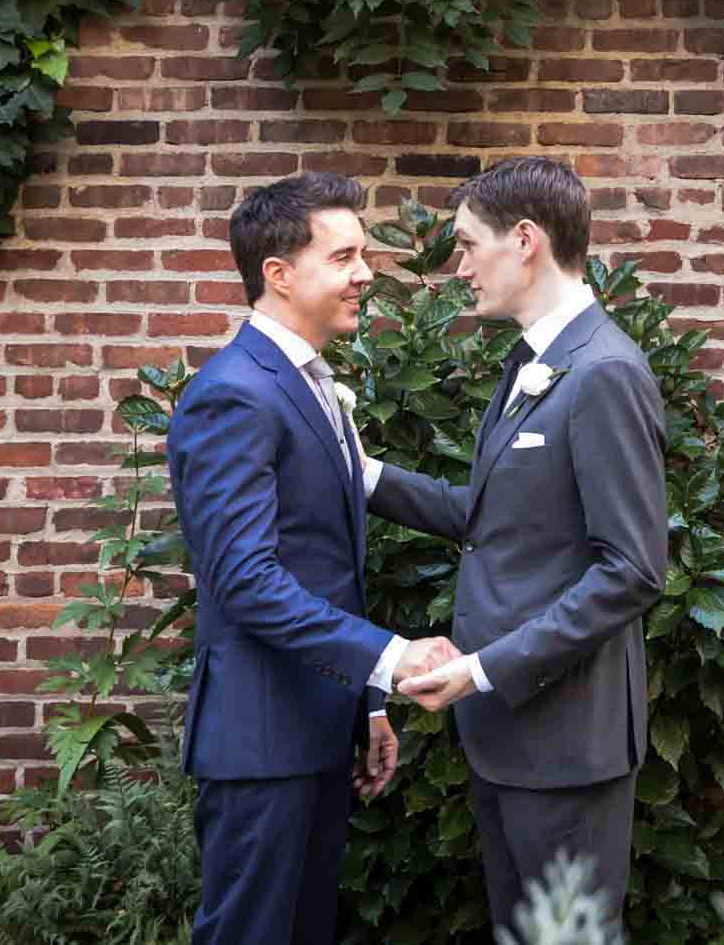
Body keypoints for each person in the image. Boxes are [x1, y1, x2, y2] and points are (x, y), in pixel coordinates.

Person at [365, 156, 669, 937]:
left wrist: (483, 668)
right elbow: (500, 518)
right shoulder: (531, 360)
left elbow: (633, 569)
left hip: (567, 745)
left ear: (525, 239)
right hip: (509, 739)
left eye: (468, 244)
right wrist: (364, 475)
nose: (459, 266)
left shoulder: (604, 372)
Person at [167, 170, 458, 945]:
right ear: (279, 273)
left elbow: (319, 564)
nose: (366, 272)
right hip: (261, 742)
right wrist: (391, 658)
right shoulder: (236, 393)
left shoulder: (305, 384)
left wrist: (364, 699)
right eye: (345, 256)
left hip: (314, 726)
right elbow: (247, 581)